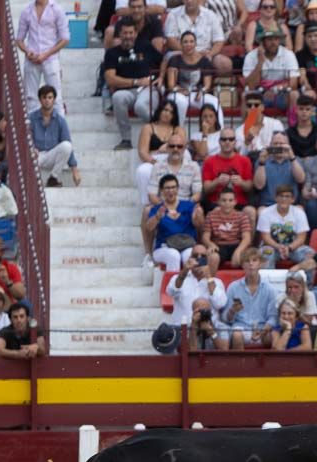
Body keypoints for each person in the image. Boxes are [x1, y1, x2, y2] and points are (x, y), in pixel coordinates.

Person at [103, 16, 163, 152]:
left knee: (140, 106)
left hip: (148, 89)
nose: (128, 36)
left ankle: (160, 130)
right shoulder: (112, 53)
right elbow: (110, 79)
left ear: (135, 33)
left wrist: (162, 77)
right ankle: (126, 139)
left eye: (131, 33)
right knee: (118, 98)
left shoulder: (146, 46)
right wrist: (135, 81)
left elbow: (164, 60)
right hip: (127, 91)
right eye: (125, 33)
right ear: (119, 34)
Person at [15, 0, 68, 115]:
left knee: (56, 97)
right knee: (30, 97)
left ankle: (59, 129)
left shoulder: (56, 9)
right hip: (32, 58)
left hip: (51, 58)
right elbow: (19, 39)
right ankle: (32, 129)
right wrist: (28, 51)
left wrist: (47, 54)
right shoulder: (27, 11)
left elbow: (65, 39)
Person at [146, 175, 204, 272]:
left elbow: (199, 225)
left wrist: (198, 216)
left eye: (173, 187)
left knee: (189, 255)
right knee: (173, 255)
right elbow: (149, 228)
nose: (170, 190)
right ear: (161, 190)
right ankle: (173, 286)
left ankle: (189, 285)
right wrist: (157, 217)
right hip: (164, 247)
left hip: (187, 245)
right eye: (167, 188)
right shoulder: (157, 209)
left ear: (177, 189)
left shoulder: (189, 206)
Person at [29, 84, 78, 188]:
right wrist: (32, 149)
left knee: (67, 146)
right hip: (36, 156)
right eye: (44, 97)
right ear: (40, 99)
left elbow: (67, 142)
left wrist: (74, 169)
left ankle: (53, 178)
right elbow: (27, 139)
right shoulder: (31, 118)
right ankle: (31, 182)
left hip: (52, 156)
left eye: (50, 97)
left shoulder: (60, 120)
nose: (47, 100)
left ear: (54, 99)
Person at [255, 184, 315, 270]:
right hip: (272, 246)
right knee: (265, 253)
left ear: (292, 199)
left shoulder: (299, 213)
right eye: (281, 196)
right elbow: (265, 237)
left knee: (310, 254)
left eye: (287, 196)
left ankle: (307, 283)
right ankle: (267, 282)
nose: (284, 199)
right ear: (276, 198)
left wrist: (289, 248)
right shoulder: (266, 213)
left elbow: (301, 238)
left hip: (293, 247)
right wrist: (278, 246)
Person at [166, 249, 227, 326]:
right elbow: (171, 292)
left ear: (207, 260)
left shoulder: (216, 282)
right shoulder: (178, 278)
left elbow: (220, 304)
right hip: (183, 328)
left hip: (209, 328)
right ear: (189, 259)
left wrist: (208, 276)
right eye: (195, 256)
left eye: (203, 256)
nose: (199, 258)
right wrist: (184, 271)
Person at [202, 189, 253, 271]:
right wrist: (210, 244)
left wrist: (238, 251)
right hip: (219, 246)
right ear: (218, 201)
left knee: (246, 257)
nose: (227, 203)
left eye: (230, 200)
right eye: (224, 200)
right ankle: (211, 281)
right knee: (213, 257)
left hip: (236, 244)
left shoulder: (242, 216)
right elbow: (205, 236)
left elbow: (247, 238)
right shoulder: (211, 215)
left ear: (235, 202)